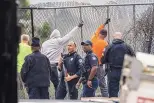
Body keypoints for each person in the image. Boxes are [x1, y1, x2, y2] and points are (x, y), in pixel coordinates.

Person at [41, 22, 83, 95]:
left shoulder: (44, 43)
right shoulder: (59, 41)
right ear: (58, 36)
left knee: (45, 85)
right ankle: (58, 99)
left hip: (45, 66)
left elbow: (42, 54)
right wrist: (77, 27)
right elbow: (69, 35)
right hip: (55, 66)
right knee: (58, 85)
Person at [101, 32, 135, 97]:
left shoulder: (108, 47)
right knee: (125, 92)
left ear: (114, 37)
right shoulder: (127, 47)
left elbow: (103, 60)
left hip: (112, 71)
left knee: (113, 92)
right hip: (125, 71)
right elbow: (134, 58)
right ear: (121, 37)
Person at [91, 19, 110, 97]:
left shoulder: (94, 38)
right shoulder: (105, 44)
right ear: (105, 36)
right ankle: (106, 99)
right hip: (99, 65)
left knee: (90, 82)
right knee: (103, 85)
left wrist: (104, 23)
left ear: (99, 34)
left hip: (91, 65)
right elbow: (105, 55)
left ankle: (87, 98)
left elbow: (98, 29)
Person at [17, 34, 32, 99]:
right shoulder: (30, 48)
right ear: (28, 40)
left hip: (18, 69)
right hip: (27, 71)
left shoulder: (17, 46)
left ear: (21, 39)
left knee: (19, 88)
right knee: (26, 88)